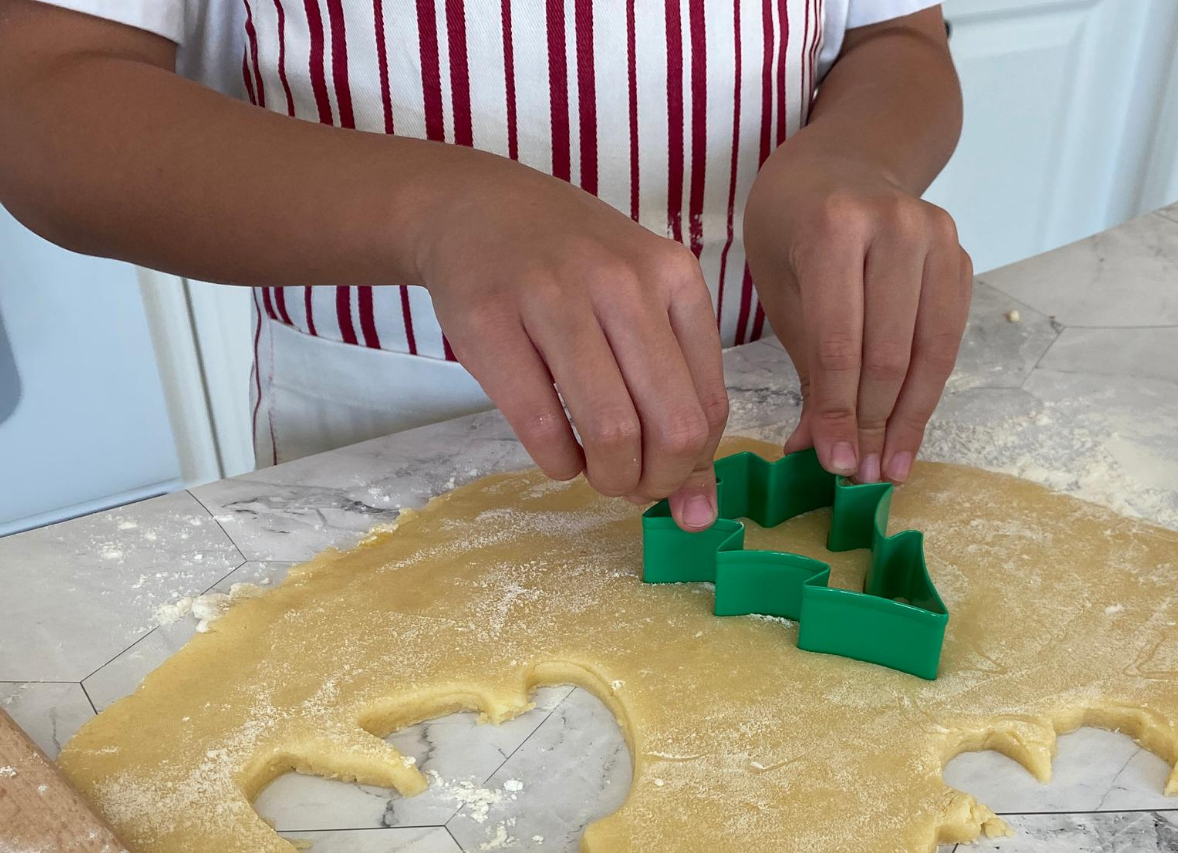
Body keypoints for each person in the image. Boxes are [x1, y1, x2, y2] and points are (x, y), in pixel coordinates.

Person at [0, 0, 970, 531]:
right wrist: (438, 211)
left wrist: (853, 155)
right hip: (377, 443)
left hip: (773, 399)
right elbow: (39, 91)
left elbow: (897, 37)